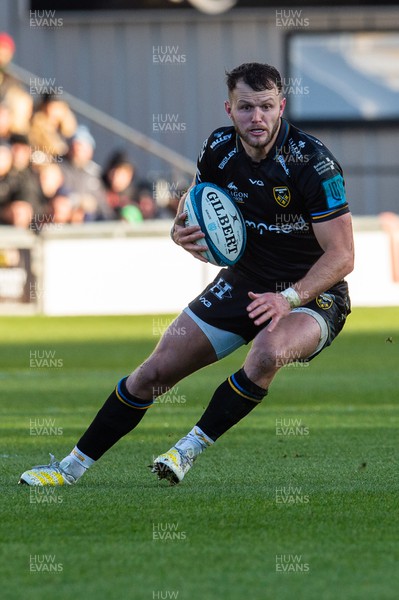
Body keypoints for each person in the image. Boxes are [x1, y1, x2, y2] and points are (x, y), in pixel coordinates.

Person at [19, 62, 354, 487]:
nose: (257, 118)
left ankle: (186, 450)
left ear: (281, 106)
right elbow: (194, 209)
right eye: (246, 107)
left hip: (312, 293)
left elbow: (342, 256)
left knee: (268, 352)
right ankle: (67, 470)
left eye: (267, 107)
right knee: (153, 374)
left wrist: (287, 298)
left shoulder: (312, 163)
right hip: (245, 280)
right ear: (228, 108)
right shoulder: (217, 149)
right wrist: (181, 231)